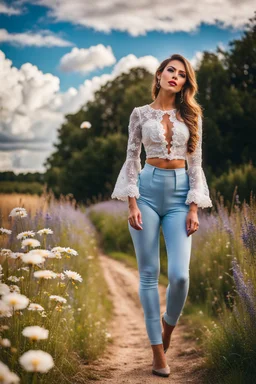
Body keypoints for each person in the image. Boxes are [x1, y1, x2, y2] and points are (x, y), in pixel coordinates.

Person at [111, 53, 213, 378]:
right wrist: (132, 202)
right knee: (149, 274)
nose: (175, 77)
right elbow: (131, 159)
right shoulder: (139, 114)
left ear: (185, 83)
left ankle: (167, 330)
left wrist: (194, 206)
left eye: (182, 75)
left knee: (181, 276)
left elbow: (195, 163)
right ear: (159, 74)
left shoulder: (192, 115)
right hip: (147, 190)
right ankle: (157, 352)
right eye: (171, 70)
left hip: (182, 194)